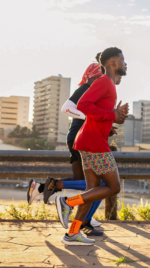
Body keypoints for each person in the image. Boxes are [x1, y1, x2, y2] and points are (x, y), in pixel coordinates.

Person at [27, 58, 112, 235]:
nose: (100, 80)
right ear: (90, 77)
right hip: (80, 140)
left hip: (80, 138)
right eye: (97, 77)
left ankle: (44, 189)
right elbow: (67, 108)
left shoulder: (94, 90)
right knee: (98, 184)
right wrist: (92, 118)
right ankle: (73, 209)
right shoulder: (86, 88)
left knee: (83, 180)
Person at [56, 47, 128, 246]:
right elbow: (84, 105)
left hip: (89, 141)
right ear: (112, 64)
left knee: (91, 191)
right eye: (122, 60)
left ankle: (72, 234)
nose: (125, 63)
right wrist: (112, 115)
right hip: (94, 143)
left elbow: (99, 112)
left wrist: (116, 116)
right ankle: (67, 202)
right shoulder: (104, 82)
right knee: (113, 187)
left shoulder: (109, 85)